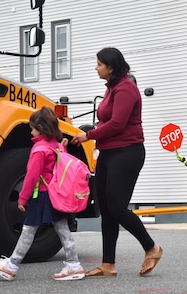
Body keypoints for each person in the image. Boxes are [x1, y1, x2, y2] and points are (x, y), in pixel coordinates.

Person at [71, 47, 162, 277]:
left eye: (99, 64)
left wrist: (88, 135)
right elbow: (106, 122)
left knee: (117, 207)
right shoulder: (111, 89)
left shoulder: (126, 89)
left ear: (111, 67)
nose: (96, 67)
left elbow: (117, 124)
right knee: (107, 210)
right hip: (108, 153)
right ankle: (108, 264)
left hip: (127, 152)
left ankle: (152, 247)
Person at [0, 106, 84, 281]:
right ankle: (73, 264)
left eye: (32, 127)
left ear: (41, 128)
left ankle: (12, 266)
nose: (30, 130)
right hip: (54, 194)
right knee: (61, 229)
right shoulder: (55, 146)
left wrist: (22, 198)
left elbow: (31, 177)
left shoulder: (39, 150)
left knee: (28, 230)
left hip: (43, 195)